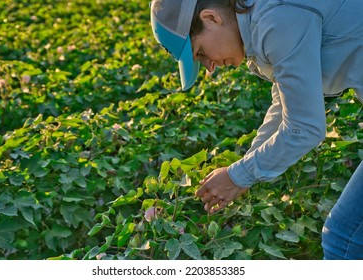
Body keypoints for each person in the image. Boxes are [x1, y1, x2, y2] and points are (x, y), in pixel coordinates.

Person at [150, 0, 363, 259]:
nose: (209, 67)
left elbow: (305, 126)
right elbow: (285, 102)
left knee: (345, 239)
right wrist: (245, 166)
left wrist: (239, 175)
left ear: (211, 18)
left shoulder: (275, 21)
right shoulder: (262, 16)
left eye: (200, 53)